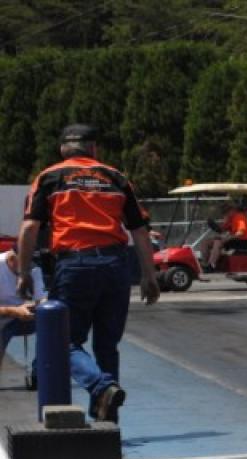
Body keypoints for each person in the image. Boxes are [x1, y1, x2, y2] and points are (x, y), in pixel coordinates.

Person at [16, 123, 160, 422]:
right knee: (107, 345)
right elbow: (139, 231)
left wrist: (23, 271)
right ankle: (108, 420)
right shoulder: (116, 178)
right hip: (116, 265)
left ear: (62, 150)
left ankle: (102, 387)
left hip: (75, 265)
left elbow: (30, 227)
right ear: (94, 149)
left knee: (62, 342)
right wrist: (149, 276)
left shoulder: (49, 177)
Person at [0, 247, 44, 372]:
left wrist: (40, 305)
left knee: (52, 322)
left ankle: (40, 370)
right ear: (11, 259)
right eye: (25, 264)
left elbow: (40, 299)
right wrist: (14, 311)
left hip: (22, 315)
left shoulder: (34, 269)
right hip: (3, 316)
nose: (29, 268)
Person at [204, 200, 247, 269]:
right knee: (205, 242)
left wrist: (227, 238)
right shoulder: (230, 219)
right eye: (224, 212)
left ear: (232, 210)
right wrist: (213, 225)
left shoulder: (239, 217)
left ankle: (211, 265)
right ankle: (206, 263)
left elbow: (240, 233)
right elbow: (222, 229)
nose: (225, 213)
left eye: (226, 211)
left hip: (246, 241)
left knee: (218, 242)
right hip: (237, 240)